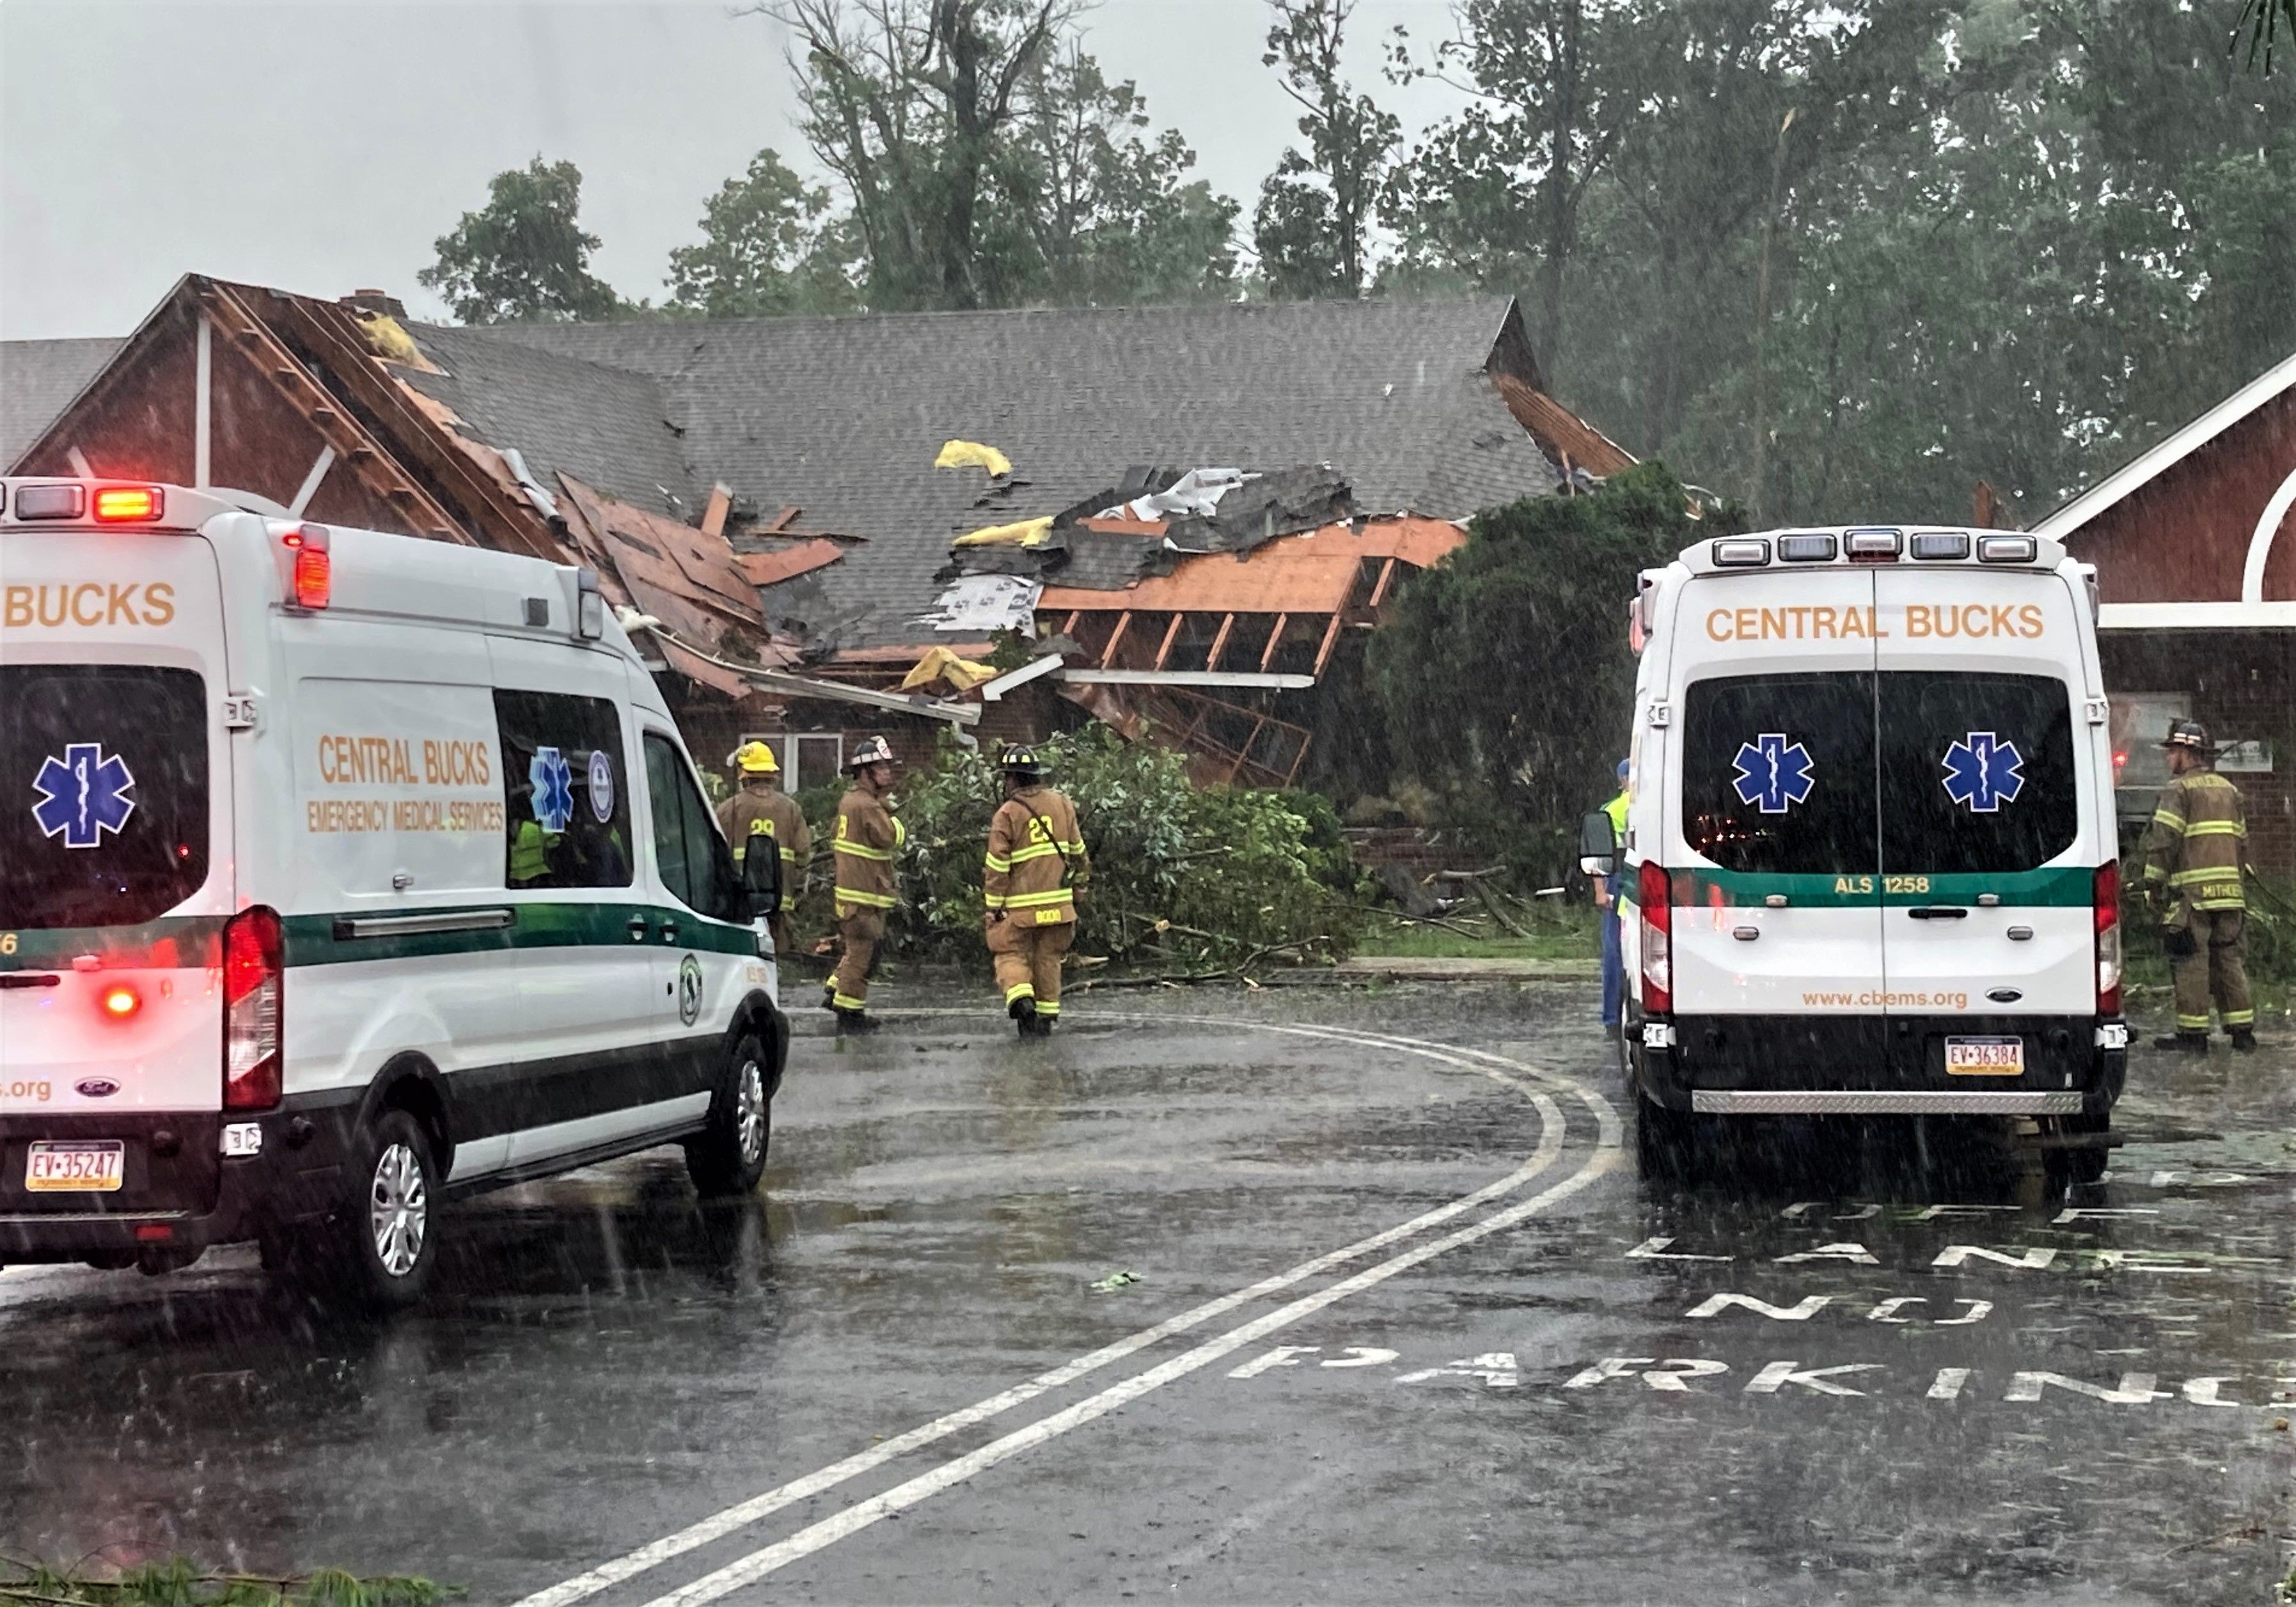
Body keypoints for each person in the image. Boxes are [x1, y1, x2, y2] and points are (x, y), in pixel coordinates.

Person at [2137, 719, 2255, 1053]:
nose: (2167, 759)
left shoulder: (2179, 790)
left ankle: (2193, 1035)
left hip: (2194, 899)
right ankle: (2242, 1031)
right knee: (2229, 961)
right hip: (2231, 896)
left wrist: (2153, 885)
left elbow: (2164, 841)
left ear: (2187, 754)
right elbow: (2242, 843)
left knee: (2190, 960)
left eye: (2172, 752)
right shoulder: (2229, 790)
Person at [982, 742, 1090, 1037]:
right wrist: (1079, 889)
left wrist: (993, 908)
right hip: (1059, 910)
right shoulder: (1062, 804)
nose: (1005, 784)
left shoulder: (1007, 814)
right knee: (1049, 959)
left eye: (1006, 778)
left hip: (1021, 911)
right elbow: (1080, 853)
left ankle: (1022, 999)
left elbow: (997, 868)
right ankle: (1044, 1018)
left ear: (1014, 779)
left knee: (1009, 953)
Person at [827, 735, 902, 1035]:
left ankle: (836, 990)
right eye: (880, 767)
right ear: (865, 772)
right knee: (864, 954)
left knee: (861, 950)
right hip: (864, 895)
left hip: (855, 893)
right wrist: (894, 819)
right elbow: (889, 837)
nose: (887, 772)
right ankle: (850, 1013)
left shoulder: (850, 801)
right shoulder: (868, 806)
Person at [716, 740, 810, 959]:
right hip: (779, 903)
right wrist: (793, 889)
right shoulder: (791, 809)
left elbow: (713, 853)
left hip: (740, 904)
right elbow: (803, 853)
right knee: (774, 959)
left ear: (744, 776)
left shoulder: (728, 809)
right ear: (772, 775)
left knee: (744, 959)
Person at [1597, 758, 1631, 1037]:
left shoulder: (1611, 811)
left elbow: (1598, 856)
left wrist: (1600, 890)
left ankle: (1612, 1020)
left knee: (1614, 952)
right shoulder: (1660, 805)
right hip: (1634, 878)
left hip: (1618, 879)